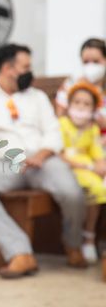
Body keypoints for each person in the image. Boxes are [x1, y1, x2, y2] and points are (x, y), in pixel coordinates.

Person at [0, 43, 87, 278]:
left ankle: (73, 243)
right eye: (26, 66)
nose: (30, 71)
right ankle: (19, 253)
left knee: (72, 192)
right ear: (8, 68)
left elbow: (53, 131)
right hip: (5, 163)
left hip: (43, 159)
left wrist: (41, 155)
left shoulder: (37, 96)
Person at [59, 81, 106, 264]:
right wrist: (88, 167)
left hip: (90, 169)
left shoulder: (92, 129)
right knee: (88, 188)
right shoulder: (62, 124)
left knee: (99, 189)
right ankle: (80, 237)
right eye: (77, 102)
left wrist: (101, 164)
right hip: (71, 168)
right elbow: (59, 152)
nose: (81, 107)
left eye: (86, 104)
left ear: (94, 108)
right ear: (69, 104)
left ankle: (90, 234)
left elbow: (97, 153)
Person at [56, 38, 106, 138]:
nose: (91, 66)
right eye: (86, 62)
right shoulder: (70, 84)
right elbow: (60, 115)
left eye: (96, 61)